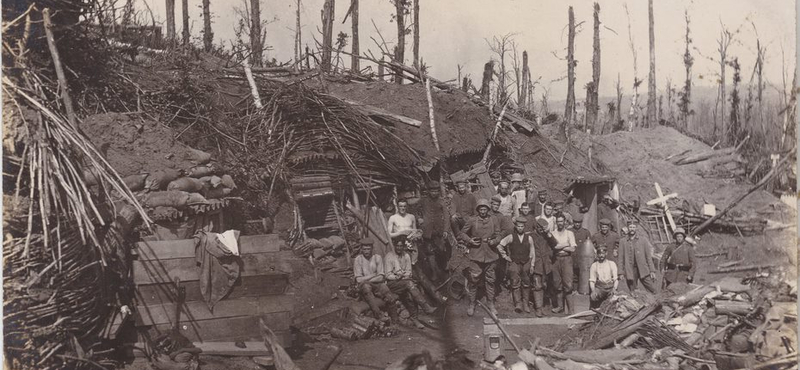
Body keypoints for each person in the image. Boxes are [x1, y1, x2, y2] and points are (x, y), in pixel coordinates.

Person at [458, 199, 501, 316]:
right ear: (478, 210)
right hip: (476, 255)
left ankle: (490, 303)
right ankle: (472, 303)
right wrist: (470, 240)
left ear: (488, 209)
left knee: (490, 280)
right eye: (481, 209)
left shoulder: (494, 219)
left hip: (491, 255)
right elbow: (462, 233)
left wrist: (494, 241)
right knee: (473, 280)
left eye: (485, 209)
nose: (483, 211)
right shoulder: (472, 220)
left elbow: (499, 234)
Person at [385, 236, 437, 314]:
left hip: (404, 281)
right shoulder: (389, 257)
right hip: (392, 284)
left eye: (401, 246)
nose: (399, 248)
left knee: (410, 292)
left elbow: (409, 272)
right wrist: (396, 276)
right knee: (409, 284)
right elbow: (388, 275)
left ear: (404, 247)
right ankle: (426, 307)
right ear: (394, 246)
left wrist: (402, 276)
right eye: (397, 246)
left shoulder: (406, 256)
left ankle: (415, 318)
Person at [354, 238, 399, 322]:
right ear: (361, 249)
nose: (366, 251)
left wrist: (367, 279)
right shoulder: (358, 259)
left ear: (372, 249)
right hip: (364, 286)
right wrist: (373, 275)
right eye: (364, 249)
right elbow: (359, 280)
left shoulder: (377, 258)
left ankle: (395, 319)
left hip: (377, 284)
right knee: (366, 287)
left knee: (386, 289)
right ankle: (379, 315)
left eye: (368, 249)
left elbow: (381, 277)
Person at [497, 217, 536, 313]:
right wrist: (505, 256)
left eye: (522, 226)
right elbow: (500, 245)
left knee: (526, 283)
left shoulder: (529, 238)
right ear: (516, 226)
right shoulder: (511, 237)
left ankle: (525, 304)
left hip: (526, 262)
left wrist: (532, 265)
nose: (520, 228)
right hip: (514, 263)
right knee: (515, 283)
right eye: (518, 226)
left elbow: (532, 252)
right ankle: (518, 304)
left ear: (524, 227)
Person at [417, 181, 449, 282]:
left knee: (441, 249)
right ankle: (434, 273)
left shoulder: (441, 201)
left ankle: (444, 267)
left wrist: (445, 230)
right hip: (427, 231)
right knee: (430, 252)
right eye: (432, 191)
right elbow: (415, 210)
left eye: (436, 191)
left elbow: (447, 216)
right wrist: (419, 218)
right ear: (429, 191)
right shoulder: (423, 201)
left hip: (438, 230)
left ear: (438, 191)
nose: (434, 193)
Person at [618, 219, 658, 294]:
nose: (632, 229)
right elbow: (620, 258)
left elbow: (648, 257)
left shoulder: (643, 240)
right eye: (630, 227)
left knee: (653, 289)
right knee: (633, 292)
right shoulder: (623, 241)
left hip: (643, 269)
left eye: (633, 227)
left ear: (636, 228)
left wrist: (652, 270)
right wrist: (620, 272)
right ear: (628, 228)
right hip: (630, 270)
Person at [550, 214, 577, 314]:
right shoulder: (553, 233)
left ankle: (571, 310)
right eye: (558, 221)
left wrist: (560, 246)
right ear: (556, 222)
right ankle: (560, 306)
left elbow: (573, 248)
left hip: (566, 259)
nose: (560, 223)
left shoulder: (569, 233)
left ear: (565, 222)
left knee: (568, 284)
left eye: (561, 221)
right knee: (557, 283)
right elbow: (553, 247)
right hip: (556, 259)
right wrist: (566, 244)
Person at [529, 218, 555, 317]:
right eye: (540, 227)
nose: (541, 230)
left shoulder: (547, 236)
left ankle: (542, 306)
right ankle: (538, 308)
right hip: (536, 264)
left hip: (546, 265)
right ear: (536, 226)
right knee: (537, 286)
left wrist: (549, 235)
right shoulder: (531, 236)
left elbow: (555, 244)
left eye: (543, 228)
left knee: (544, 285)